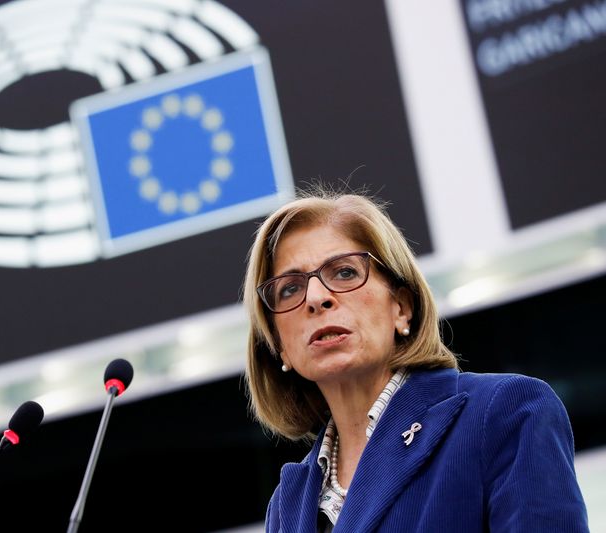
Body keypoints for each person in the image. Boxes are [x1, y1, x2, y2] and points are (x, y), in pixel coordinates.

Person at [243, 191, 588, 532]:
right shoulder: (287, 504)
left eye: (344, 272)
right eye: (289, 289)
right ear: (280, 346)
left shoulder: (504, 413)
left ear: (402, 308)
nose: (317, 298)